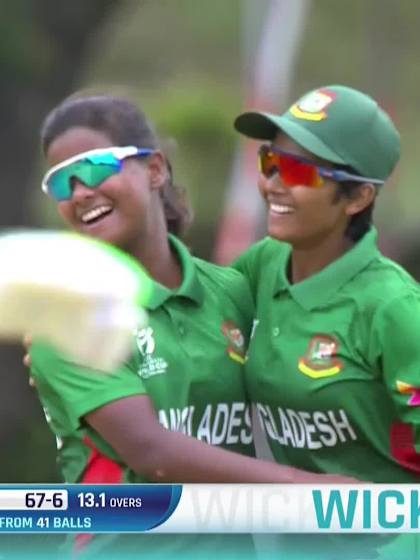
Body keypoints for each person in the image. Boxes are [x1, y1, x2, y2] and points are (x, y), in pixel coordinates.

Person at [28, 92, 354, 560]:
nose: (80, 191)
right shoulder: (71, 322)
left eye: (97, 167)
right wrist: (310, 491)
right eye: (62, 183)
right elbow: (151, 453)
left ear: (156, 169)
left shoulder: (235, 292)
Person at [233, 84, 420, 558]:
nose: (273, 183)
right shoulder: (263, 264)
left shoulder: (394, 309)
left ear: (357, 197)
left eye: (298, 171)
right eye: (269, 161)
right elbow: (184, 323)